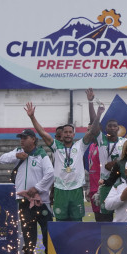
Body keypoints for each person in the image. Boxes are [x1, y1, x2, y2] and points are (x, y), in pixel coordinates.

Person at [25, 93, 104, 222]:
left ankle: (76, 243)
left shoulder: (80, 145)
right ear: (61, 134)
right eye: (65, 132)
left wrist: (98, 114)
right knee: (61, 222)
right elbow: (42, 133)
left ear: (74, 134)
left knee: (77, 223)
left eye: (70, 132)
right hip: (60, 190)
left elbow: (94, 131)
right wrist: (32, 117)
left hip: (76, 190)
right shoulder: (56, 146)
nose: (67, 134)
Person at [0, 129, 54, 254]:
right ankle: (28, 252)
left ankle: (51, 253)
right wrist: (16, 156)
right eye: (21, 138)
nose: (22, 140)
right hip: (23, 199)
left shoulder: (41, 154)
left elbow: (50, 173)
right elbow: (2, 159)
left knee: (47, 228)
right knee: (27, 227)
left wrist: (37, 188)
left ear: (33, 139)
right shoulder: (18, 151)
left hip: (41, 200)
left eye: (25, 138)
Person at [87, 89, 125, 222]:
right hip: (104, 184)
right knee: (104, 218)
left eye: (115, 126)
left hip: (121, 184)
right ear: (106, 128)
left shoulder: (124, 142)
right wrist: (92, 103)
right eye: (110, 126)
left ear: (118, 128)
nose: (113, 128)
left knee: (122, 216)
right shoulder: (102, 140)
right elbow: (93, 123)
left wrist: (117, 164)